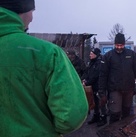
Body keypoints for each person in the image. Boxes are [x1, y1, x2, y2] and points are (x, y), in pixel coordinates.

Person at [0, 1, 88, 136]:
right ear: (23, 10)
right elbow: (71, 116)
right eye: (32, 11)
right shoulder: (47, 53)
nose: (32, 18)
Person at [99, 33, 136, 124]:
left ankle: (126, 131)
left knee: (127, 114)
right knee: (115, 113)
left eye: (121, 45)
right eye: (117, 45)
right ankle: (112, 132)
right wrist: (102, 93)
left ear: (124, 44)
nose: (119, 47)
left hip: (129, 89)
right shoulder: (108, 56)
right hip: (115, 89)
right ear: (114, 44)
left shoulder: (131, 55)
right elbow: (103, 75)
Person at [81, 48, 107, 126]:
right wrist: (84, 79)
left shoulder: (99, 63)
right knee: (95, 102)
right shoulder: (92, 63)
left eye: (91, 54)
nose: (90, 55)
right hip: (94, 86)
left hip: (99, 86)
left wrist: (87, 82)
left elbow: (95, 75)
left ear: (95, 55)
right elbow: (88, 72)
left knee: (101, 102)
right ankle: (96, 116)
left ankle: (103, 118)